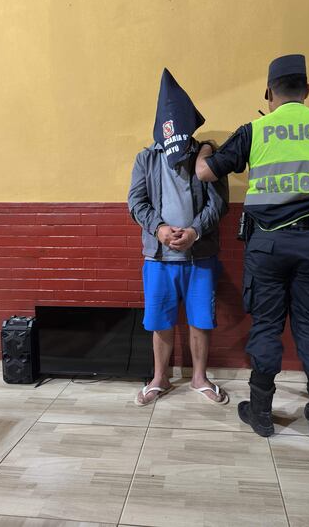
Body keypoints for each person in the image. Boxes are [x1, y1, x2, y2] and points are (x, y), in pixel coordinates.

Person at [195, 54, 309, 438]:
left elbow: (205, 173)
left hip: (267, 246)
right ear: (307, 90)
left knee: (266, 326)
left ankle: (261, 414)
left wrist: (204, 150)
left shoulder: (255, 130)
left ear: (269, 93)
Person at [128, 68, 229, 406]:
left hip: (200, 256)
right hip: (158, 257)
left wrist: (195, 231)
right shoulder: (146, 158)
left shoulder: (207, 157)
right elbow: (136, 202)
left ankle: (199, 377)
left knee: (201, 319)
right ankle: (160, 378)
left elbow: (219, 203)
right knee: (160, 321)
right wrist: (159, 228)